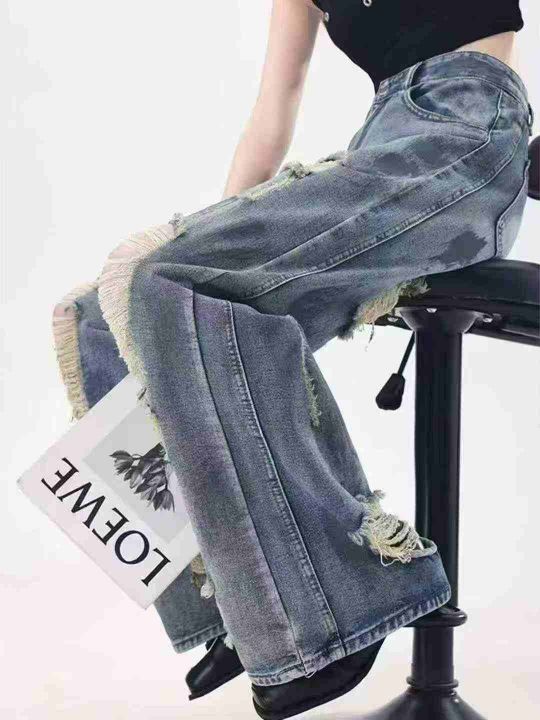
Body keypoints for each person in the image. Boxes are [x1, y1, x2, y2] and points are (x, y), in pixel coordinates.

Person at [52, 1, 533, 718]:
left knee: (164, 282)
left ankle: (342, 602)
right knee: (107, 315)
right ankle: (249, 606)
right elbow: (274, 107)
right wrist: (217, 245)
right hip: (379, 147)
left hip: (463, 139)